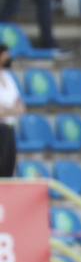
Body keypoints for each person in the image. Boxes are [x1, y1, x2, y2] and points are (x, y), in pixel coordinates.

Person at [0, 44, 22, 178]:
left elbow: (21, 106)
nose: (9, 57)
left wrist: (5, 110)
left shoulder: (8, 78)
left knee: (8, 170)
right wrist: (12, 110)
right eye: (6, 54)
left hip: (9, 128)